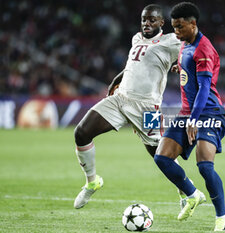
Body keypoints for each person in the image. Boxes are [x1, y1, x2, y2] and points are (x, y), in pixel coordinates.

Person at [73, 4, 192, 209]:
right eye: (144, 19)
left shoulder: (171, 41)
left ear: (161, 23)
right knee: (81, 132)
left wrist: (181, 64)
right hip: (121, 99)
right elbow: (133, 65)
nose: (147, 23)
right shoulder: (136, 38)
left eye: (152, 20)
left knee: (161, 155)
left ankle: (185, 192)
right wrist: (116, 80)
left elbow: (192, 51)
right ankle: (92, 181)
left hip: (148, 108)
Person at [153, 2, 225, 231]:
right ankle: (193, 194)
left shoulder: (203, 48)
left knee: (205, 166)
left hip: (208, 112)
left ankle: (221, 218)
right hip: (187, 112)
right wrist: (181, 68)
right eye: (173, 26)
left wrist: (194, 120)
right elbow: (190, 69)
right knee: (162, 158)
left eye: (179, 26)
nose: (175, 31)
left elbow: (205, 88)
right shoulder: (185, 45)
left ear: (193, 24)